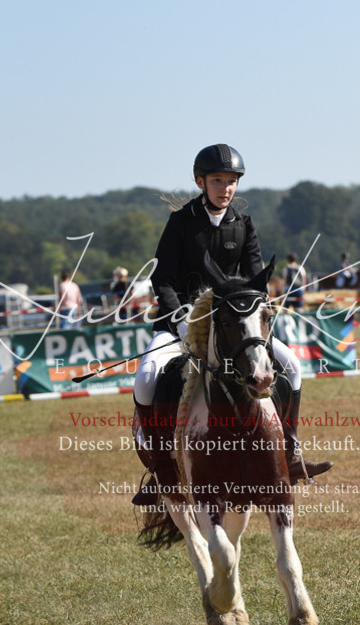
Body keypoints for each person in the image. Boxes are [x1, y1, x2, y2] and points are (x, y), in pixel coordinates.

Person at [133, 143, 332, 505]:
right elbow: (162, 279)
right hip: (180, 321)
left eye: (231, 181)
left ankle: (291, 449)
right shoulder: (181, 224)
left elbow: (256, 276)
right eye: (217, 180)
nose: (225, 188)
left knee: (291, 365)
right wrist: (179, 320)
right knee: (147, 378)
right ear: (200, 182)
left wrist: (258, 312)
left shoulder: (243, 225)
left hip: (233, 326)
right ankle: (159, 467)